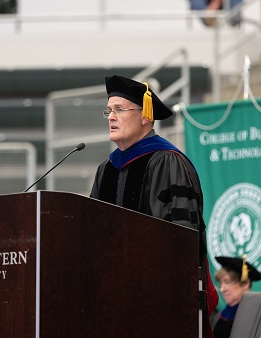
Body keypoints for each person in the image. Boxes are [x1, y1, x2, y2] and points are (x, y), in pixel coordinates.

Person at [90, 75, 218, 338]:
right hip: (111, 301)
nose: (111, 117)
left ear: (145, 116)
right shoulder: (106, 171)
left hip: (160, 300)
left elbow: (184, 238)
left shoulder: (170, 163)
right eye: (108, 110)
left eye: (119, 110)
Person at [212, 255, 261, 338]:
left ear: (245, 283)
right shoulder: (218, 317)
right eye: (221, 284)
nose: (222, 289)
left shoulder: (258, 315)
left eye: (227, 282)